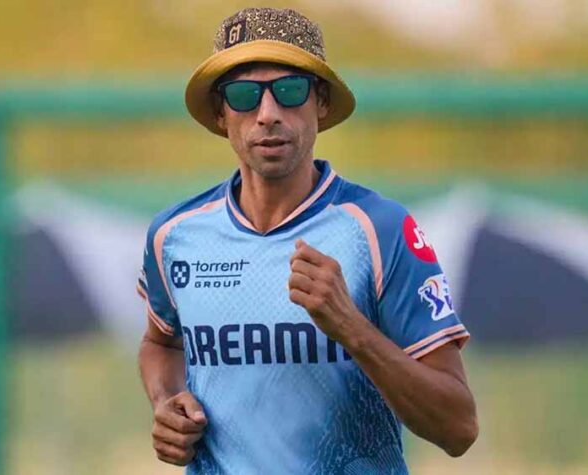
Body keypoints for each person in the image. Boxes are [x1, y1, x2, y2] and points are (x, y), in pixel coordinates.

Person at [137, 7, 478, 474]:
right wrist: (167, 401)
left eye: (290, 90)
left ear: (321, 101)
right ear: (220, 112)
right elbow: (161, 342)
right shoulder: (174, 236)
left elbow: (459, 428)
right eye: (244, 95)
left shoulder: (379, 230)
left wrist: (351, 327)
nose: (268, 115)